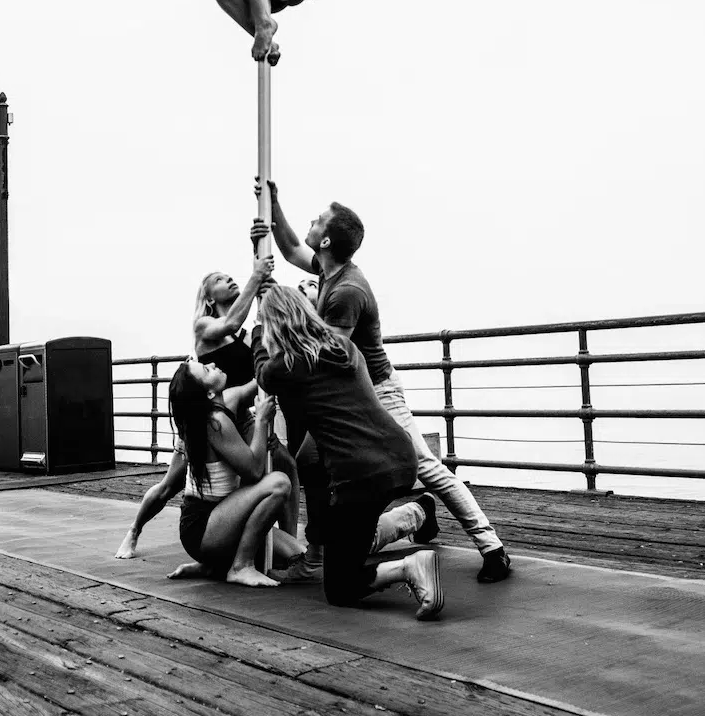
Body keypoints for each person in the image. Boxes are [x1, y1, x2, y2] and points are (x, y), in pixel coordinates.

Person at [252, 179, 514, 583]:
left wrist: (282, 312)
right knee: (309, 461)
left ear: (326, 241)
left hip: (375, 390)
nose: (311, 223)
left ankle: (491, 546)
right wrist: (272, 206)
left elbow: (325, 354)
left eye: (317, 221)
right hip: (348, 389)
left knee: (425, 466)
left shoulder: (347, 291)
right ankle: (318, 554)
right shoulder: (327, 270)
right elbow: (288, 248)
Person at [254, 285, 445, 619]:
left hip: (361, 475)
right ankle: (417, 513)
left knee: (340, 587)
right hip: (399, 457)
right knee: (349, 535)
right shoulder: (344, 347)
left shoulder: (290, 363)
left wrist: (258, 332)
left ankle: (409, 567)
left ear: (275, 325)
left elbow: (262, 372)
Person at [115, 257, 302, 558]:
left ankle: (285, 545)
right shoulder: (204, 325)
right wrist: (256, 277)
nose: (228, 279)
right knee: (170, 485)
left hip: (239, 414)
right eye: (219, 279)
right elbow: (231, 322)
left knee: (284, 464)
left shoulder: (243, 335)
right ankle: (134, 530)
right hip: (206, 419)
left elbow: (260, 358)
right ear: (209, 298)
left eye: (229, 276)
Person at [166, 357, 302, 587]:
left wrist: (274, 356)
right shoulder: (214, 422)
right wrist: (261, 421)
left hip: (222, 520)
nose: (212, 364)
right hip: (203, 528)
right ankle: (241, 566)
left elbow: (259, 381)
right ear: (209, 393)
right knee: (279, 483)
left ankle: (212, 566)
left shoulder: (222, 406)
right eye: (206, 370)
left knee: (298, 555)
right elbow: (255, 471)